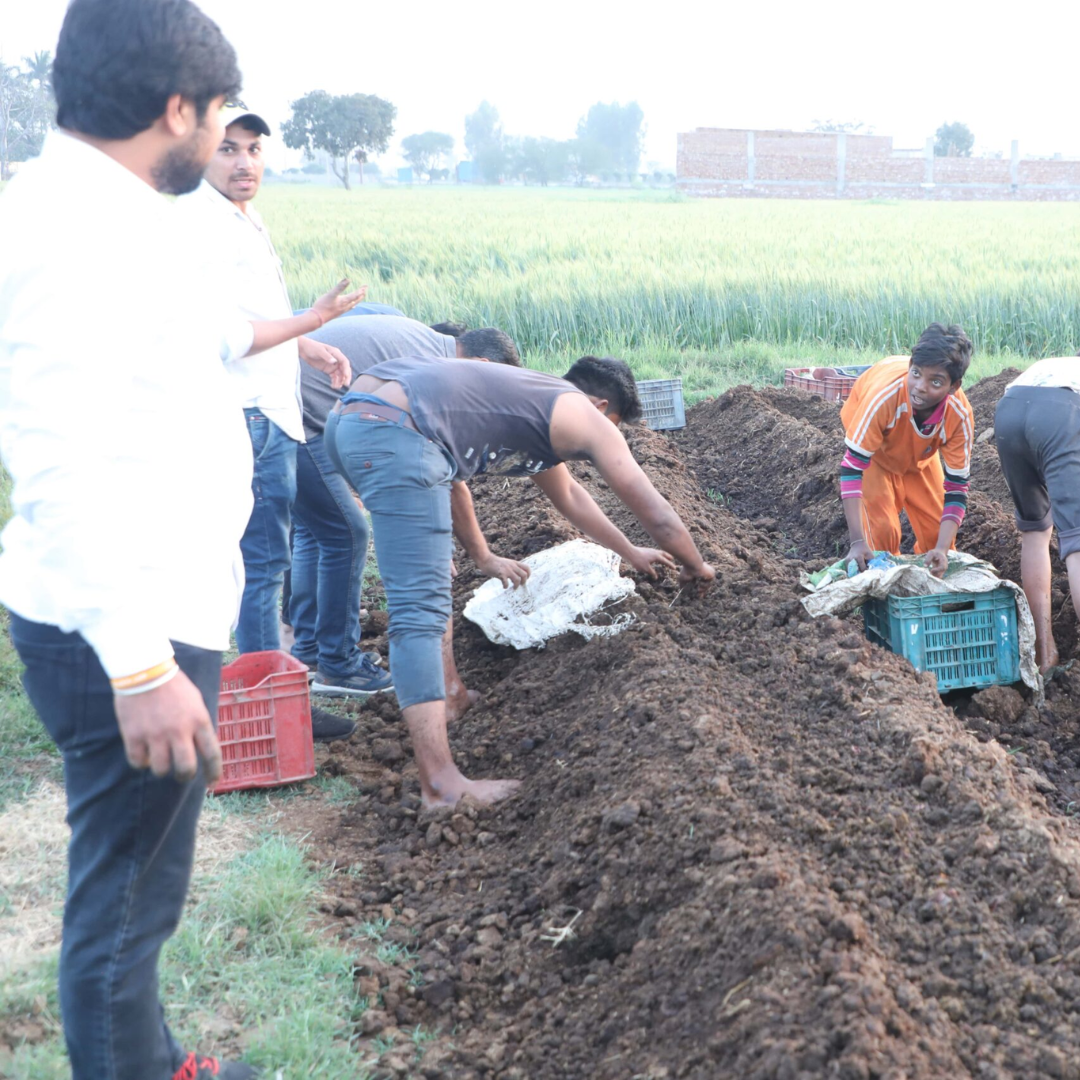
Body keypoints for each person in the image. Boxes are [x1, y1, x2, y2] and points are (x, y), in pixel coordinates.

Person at [0, 4, 262, 1078]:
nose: (221, 139)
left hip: (142, 603)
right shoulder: (77, 231)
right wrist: (142, 667)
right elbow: (57, 464)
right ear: (176, 108)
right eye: (217, 115)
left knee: (136, 893)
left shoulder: (101, 210)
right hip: (126, 624)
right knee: (122, 914)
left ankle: (158, 1063)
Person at [324, 354, 715, 808]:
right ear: (600, 406)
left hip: (352, 422)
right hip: (393, 435)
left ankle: (450, 695)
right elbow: (657, 514)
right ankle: (441, 786)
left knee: (427, 591)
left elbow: (566, 496)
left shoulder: (533, 406)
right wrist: (696, 565)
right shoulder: (582, 416)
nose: (606, 441)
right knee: (419, 608)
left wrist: (628, 552)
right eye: (613, 427)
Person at [174, 104, 364, 665]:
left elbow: (249, 312)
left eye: (253, 149)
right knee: (261, 563)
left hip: (272, 411)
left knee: (281, 551)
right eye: (228, 149)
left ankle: (282, 681)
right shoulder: (203, 223)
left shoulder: (241, 215)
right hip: (249, 414)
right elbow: (220, 336)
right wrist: (314, 319)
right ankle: (264, 695)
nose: (244, 162)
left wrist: (305, 344)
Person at [291, 317, 521, 716]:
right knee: (347, 534)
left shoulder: (426, 344)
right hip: (298, 417)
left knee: (320, 531)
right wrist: (460, 551)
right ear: (482, 364)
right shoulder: (436, 374)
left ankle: (311, 650)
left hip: (281, 410)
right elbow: (445, 479)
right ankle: (339, 665)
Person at [840, 323, 975, 577]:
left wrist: (942, 549)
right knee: (881, 535)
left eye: (936, 381)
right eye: (916, 373)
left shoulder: (959, 415)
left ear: (954, 387)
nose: (920, 386)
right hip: (876, 453)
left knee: (939, 535)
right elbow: (852, 468)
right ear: (911, 365)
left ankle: (930, 583)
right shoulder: (884, 397)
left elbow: (957, 488)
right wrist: (857, 542)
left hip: (920, 456)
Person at [994, 357, 1080, 672]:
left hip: (1009, 411)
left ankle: (1044, 653)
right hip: (1061, 413)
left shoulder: (1062, 363)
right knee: (1076, 538)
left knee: (1034, 530)